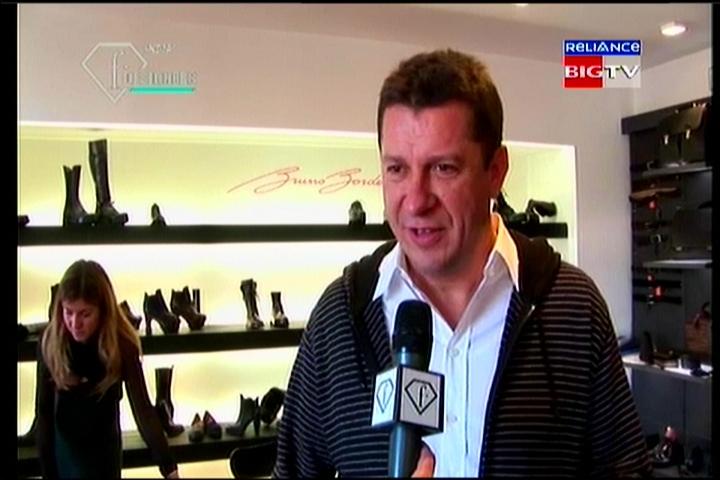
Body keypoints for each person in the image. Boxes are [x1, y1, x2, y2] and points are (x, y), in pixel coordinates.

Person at [273, 49, 652, 478]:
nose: (416, 201)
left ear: (496, 171)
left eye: (443, 168)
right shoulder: (339, 318)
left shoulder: (572, 308)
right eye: (397, 169)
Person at [35, 259, 179, 479]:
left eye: (85, 314)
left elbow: (143, 410)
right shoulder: (50, 341)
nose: (75, 323)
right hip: (65, 448)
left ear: (103, 311)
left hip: (105, 450)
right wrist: (48, 473)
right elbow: (43, 413)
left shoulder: (122, 343)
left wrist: (169, 469)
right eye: (68, 312)